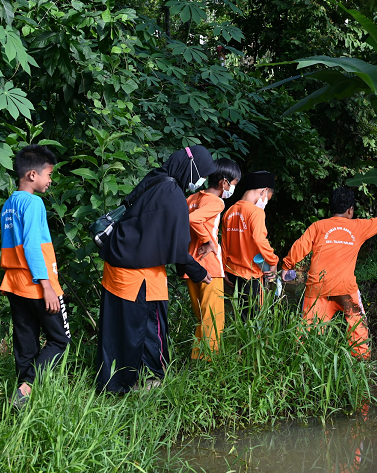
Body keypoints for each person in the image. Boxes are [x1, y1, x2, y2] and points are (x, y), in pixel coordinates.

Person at [96, 145, 214, 393]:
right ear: (190, 168)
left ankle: (113, 382)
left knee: (116, 330)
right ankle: (142, 383)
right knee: (148, 328)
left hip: (118, 264)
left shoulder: (155, 179)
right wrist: (199, 272)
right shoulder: (172, 196)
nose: (201, 182)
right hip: (140, 276)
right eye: (201, 174)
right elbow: (178, 251)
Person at [281, 187, 377, 359]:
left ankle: (302, 363)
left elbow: (300, 246)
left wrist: (286, 266)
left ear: (331, 209)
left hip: (317, 289)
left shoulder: (318, 226)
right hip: (345, 290)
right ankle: (361, 362)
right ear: (350, 210)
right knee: (358, 329)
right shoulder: (358, 226)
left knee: (307, 334)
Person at [0, 145, 71, 407]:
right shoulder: (33, 202)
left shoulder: (9, 204)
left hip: (15, 284)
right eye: (49, 174)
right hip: (37, 285)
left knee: (25, 340)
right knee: (59, 340)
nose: (50, 180)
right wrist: (47, 286)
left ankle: (21, 391)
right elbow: (31, 246)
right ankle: (28, 387)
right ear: (32, 175)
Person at [184, 158, 241, 358]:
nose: (232, 189)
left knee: (202, 318)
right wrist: (208, 240)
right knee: (213, 320)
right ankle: (206, 366)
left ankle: (197, 361)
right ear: (224, 182)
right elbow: (193, 220)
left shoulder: (190, 199)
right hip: (209, 267)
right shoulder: (217, 202)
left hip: (189, 266)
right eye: (233, 185)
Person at [221, 171, 278, 321]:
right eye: (268, 198)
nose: (266, 202)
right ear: (264, 191)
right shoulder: (256, 212)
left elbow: (224, 243)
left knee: (241, 317)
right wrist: (273, 261)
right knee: (255, 320)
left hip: (234, 273)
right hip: (251, 275)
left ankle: (240, 344)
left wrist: (224, 267)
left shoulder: (229, 211)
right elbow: (259, 240)